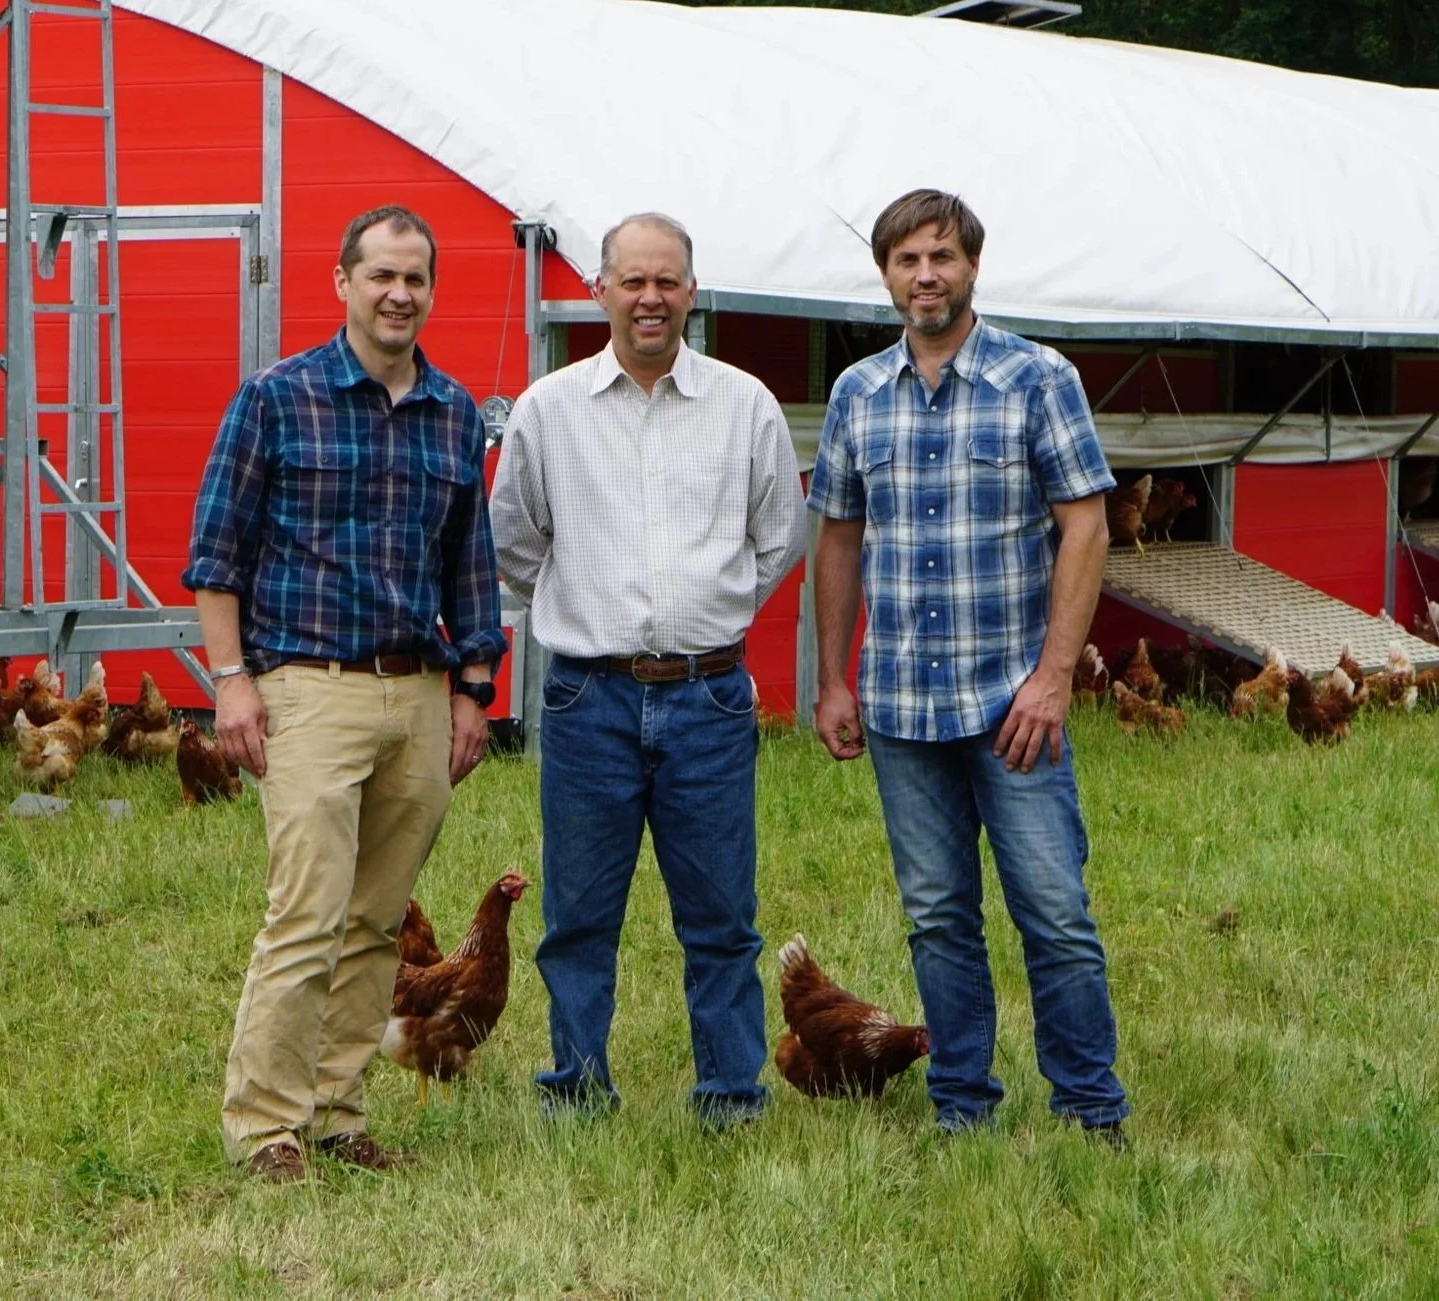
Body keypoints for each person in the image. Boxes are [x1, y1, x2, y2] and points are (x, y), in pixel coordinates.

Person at [184, 205, 506, 1182]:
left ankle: (336, 1112)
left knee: (378, 921)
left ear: (430, 291)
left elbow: (470, 562)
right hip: (306, 688)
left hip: (417, 693)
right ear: (343, 282)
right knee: (307, 912)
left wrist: (475, 687)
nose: (399, 293)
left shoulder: (453, 410)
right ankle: (266, 1128)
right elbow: (215, 554)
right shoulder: (276, 399)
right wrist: (231, 681)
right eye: (381, 276)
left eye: (416, 278)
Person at [808, 189, 1129, 1142]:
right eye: (906, 261)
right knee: (939, 918)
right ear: (886, 276)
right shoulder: (857, 394)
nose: (925, 276)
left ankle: (1087, 1106)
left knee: (1054, 912)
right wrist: (832, 677)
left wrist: (1055, 676)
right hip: (903, 704)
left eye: (941, 256)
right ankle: (962, 1104)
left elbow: (1087, 526)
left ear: (972, 265)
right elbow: (837, 536)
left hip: (1012, 705)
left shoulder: (1038, 377)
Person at [490, 212, 806, 1126]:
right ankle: (578, 1090)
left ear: (692, 293)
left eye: (667, 281)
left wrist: (706, 604)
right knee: (578, 917)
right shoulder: (549, 411)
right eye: (632, 281)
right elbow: (514, 542)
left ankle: (729, 1096)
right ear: (600, 291)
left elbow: (777, 536)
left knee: (720, 919)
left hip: (708, 692)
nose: (650, 298)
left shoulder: (744, 405)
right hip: (587, 692)